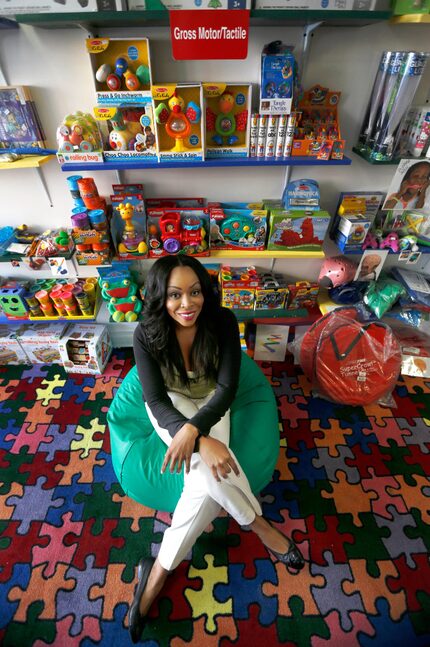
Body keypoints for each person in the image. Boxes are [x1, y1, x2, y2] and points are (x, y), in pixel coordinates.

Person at [128, 255, 304, 643]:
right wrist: (198, 439)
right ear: (160, 297)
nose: (187, 304)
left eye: (194, 292)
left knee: (204, 479)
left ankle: (156, 573)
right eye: (175, 295)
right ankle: (259, 525)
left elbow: (226, 388)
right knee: (210, 464)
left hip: (210, 403)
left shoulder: (222, 320)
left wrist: (199, 430)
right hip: (171, 407)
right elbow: (155, 401)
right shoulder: (145, 332)